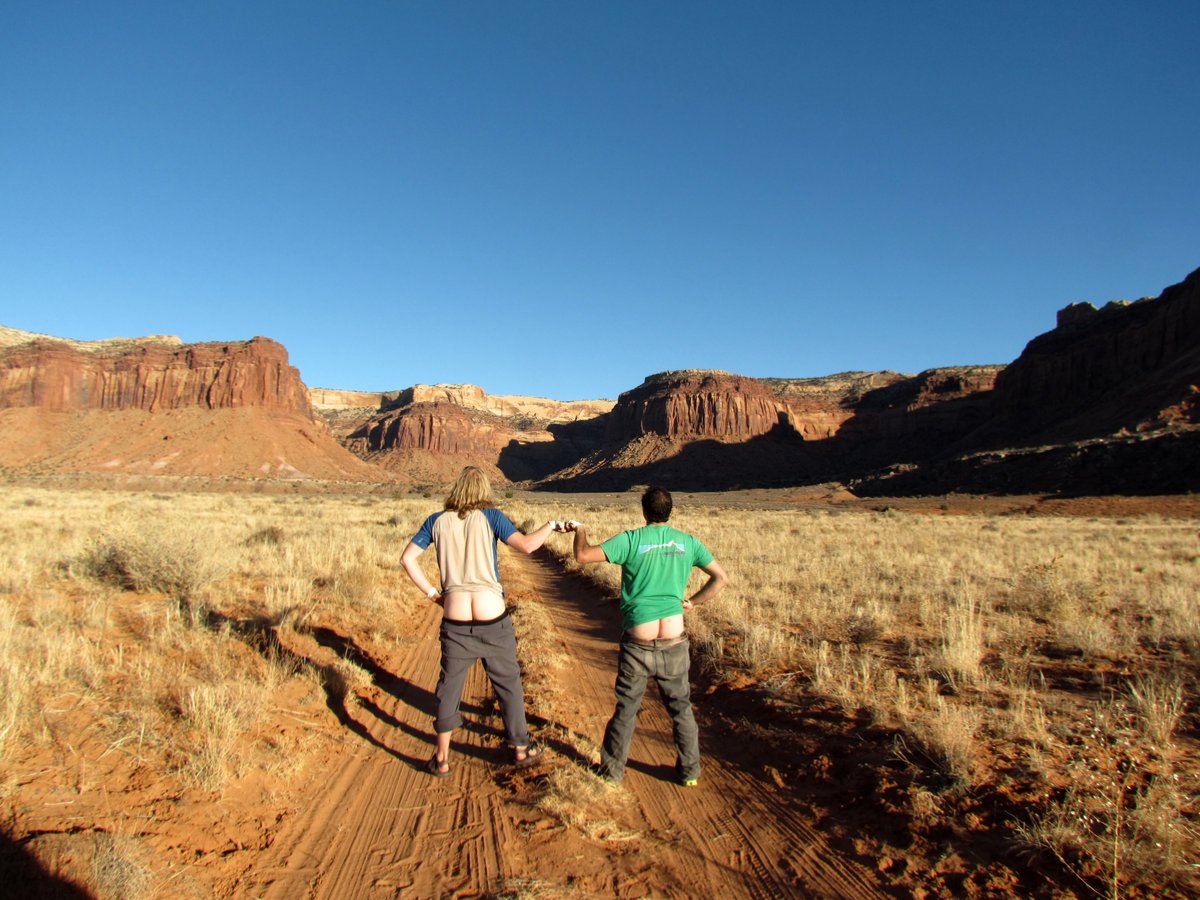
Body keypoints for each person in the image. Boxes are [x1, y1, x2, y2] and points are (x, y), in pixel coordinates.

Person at [401, 466, 556, 777]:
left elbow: (407, 559)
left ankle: (442, 758)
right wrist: (550, 526)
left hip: (455, 619)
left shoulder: (436, 521)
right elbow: (527, 545)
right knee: (508, 684)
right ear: (485, 489)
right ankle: (521, 748)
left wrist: (434, 594)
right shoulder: (492, 516)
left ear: (457, 488)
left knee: (449, 688)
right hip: (492, 617)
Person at [569, 486, 728, 786]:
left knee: (627, 708)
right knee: (681, 707)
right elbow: (721, 578)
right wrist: (693, 601)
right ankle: (690, 772)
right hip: (674, 639)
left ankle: (612, 772)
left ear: (644, 511)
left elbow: (582, 555)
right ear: (669, 512)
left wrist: (581, 529)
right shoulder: (687, 542)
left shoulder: (631, 540)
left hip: (638, 644)